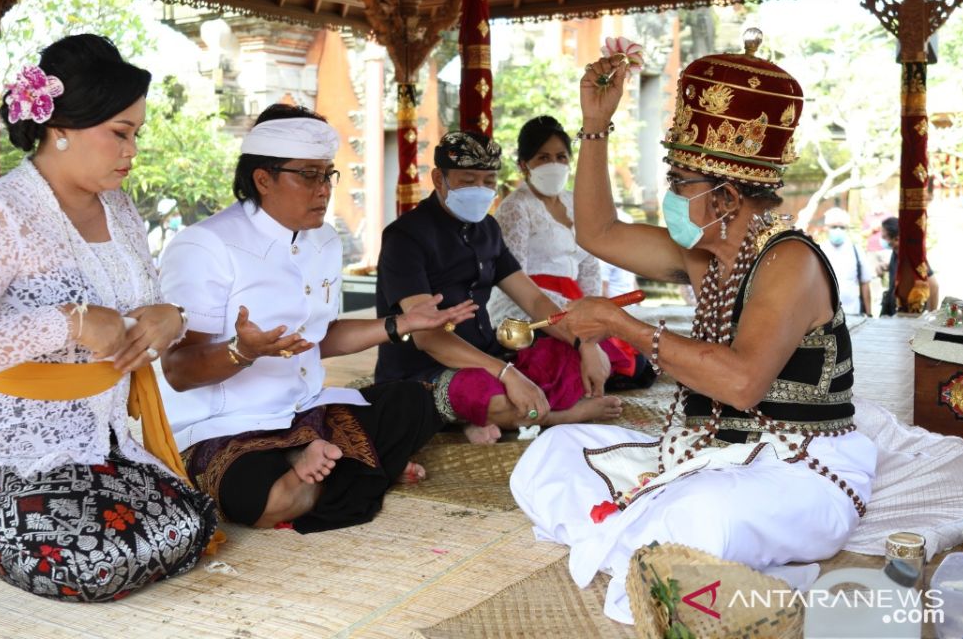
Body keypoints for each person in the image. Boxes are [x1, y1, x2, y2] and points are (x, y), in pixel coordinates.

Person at [511, 32, 877, 623]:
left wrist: (618, 324)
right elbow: (598, 233)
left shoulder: (791, 261)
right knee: (549, 454)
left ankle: (651, 540)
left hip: (799, 464)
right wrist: (594, 125)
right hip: (709, 449)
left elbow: (740, 385)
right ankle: (652, 543)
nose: (671, 196)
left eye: (681, 183)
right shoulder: (701, 252)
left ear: (728, 194)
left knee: (704, 514)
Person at [0, 34, 218, 602]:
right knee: (97, 567)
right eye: (120, 133)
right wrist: (66, 323)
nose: (131, 150)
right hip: (1, 447)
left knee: (190, 525)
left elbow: (143, 308)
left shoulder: (119, 208)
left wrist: (172, 317)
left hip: (102, 433)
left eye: (136, 135)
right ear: (61, 129)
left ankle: (46, 526)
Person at [158, 105, 476, 532]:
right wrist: (242, 352)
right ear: (263, 179)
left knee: (415, 402)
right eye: (308, 174)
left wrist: (399, 324)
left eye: (328, 174)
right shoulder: (205, 245)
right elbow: (178, 370)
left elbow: (319, 338)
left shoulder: (324, 240)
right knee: (264, 499)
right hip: (223, 426)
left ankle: (326, 466)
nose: (323, 189)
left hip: (304, 410)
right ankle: (355, 467)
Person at [375, 130, 623, 445]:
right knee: (487, 393)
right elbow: (428, 338)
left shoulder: (488, 229)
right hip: (425, 369)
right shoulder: (405, 237)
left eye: (489, 181)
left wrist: (584, 344)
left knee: (576, 357)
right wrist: (507, 375)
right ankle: (560, 416)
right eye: (468, 180)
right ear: (439, 179)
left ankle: (483, 418)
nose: (481, 189)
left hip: (488, 355)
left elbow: (533, 299)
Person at [487, 116, 638, 383]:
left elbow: (590, 264)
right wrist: (566, 311)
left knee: (637, 362)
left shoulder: (575, 202)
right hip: (527, 309)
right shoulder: (516, 207)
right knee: (561, 365)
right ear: (524, 165)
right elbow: (513, 278)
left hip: (575, 302)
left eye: (561, 157)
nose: (554, 165)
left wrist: (591, 310)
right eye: (543, 158)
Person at [819, 206, 874, 317]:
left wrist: (869, 314)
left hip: (852, 312)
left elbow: (865, 283)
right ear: (826, 228)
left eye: (842, 227)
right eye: (834, 227)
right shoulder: (820, 251)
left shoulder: (856, 251)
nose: (838, 230)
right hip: (825, 316)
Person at [879, 216, 939, 315]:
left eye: (884, 237)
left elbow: (934, 286)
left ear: (897, 239)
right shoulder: (896, 253)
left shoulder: (912, 257)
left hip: (910, 317)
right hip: (895, 314)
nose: (882, 240)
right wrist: (886, 266)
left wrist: (931, 316)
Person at [148, 196, 183, 261]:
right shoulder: (154, 236)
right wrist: (158, 250)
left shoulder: (184, 231)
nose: (178, 217)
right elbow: (148, 260)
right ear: (164, 217)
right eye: (174, 215)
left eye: (178, 214)